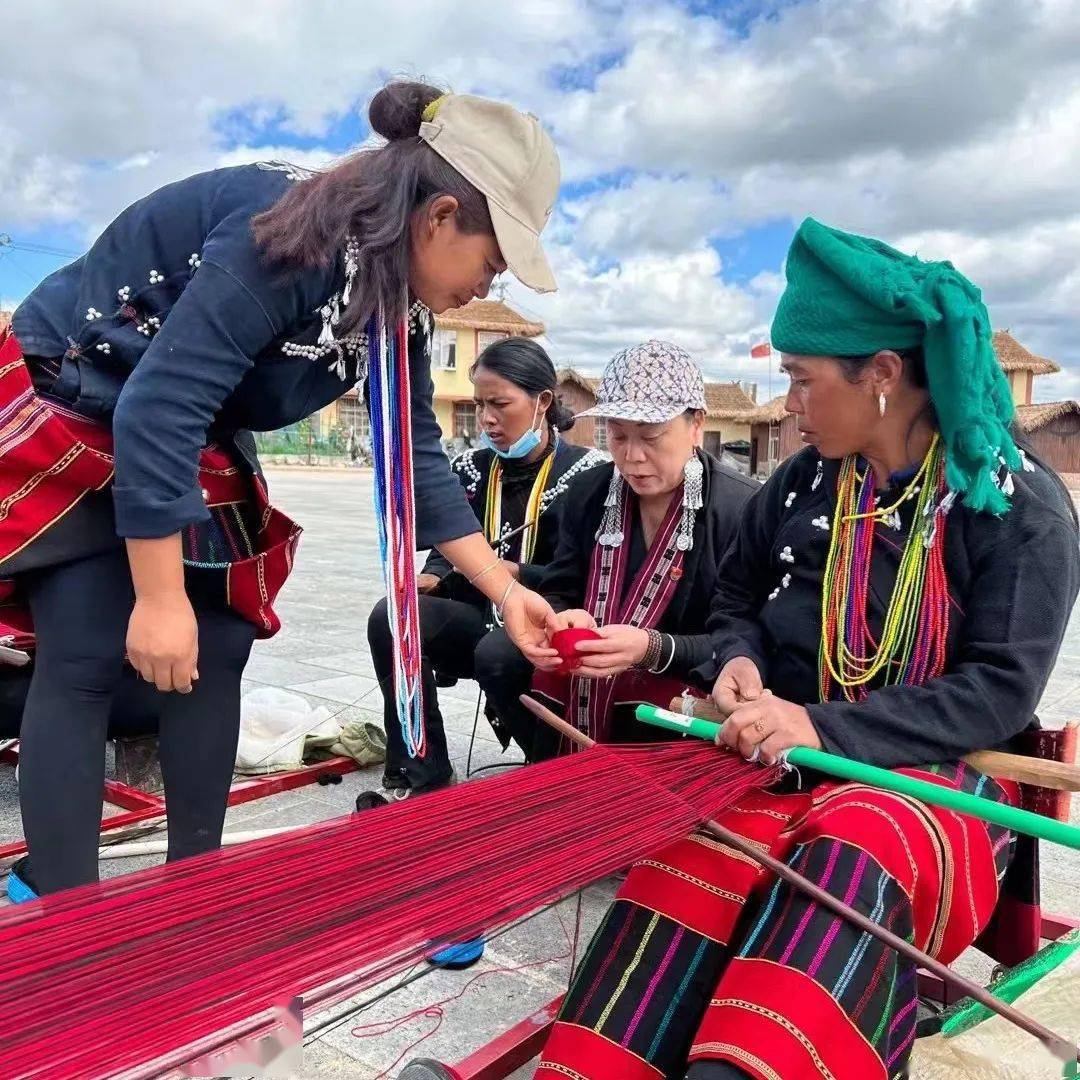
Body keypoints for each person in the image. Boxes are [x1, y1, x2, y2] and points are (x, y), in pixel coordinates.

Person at [535, 220, 1079, 1080]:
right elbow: (738, 599)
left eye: (801, 380)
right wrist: (737, 660)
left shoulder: (1014, 506)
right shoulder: (805, 481)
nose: (787, 403)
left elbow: (997, 692)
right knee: (687, 853)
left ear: (884, 377)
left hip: (935, 775)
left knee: (847, 858)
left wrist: (819, 726)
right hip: (784, 753)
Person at [1, 80, 563, 901]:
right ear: (440, 217)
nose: (490, 286)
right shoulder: (293, 234)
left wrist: (504, 593)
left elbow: (416, 455)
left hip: (182, 421)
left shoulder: (395, 305)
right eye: (493, 261)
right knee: (89, 646)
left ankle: (192, 891)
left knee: (220, 643)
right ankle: (66, 911)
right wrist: (158, 599)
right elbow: (156, 406)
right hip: (84, 393)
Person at [476, 341, 757, 762]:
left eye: (651, 436)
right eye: (618, 436)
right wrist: (562, 617)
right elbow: (560, 586)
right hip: (590, 668)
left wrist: (651, 648)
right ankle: (550, 768)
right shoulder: (590, 492)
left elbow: (747, 635)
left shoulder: (741, 509)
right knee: (499, 654)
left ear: (696, 424)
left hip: (684, 679)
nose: (632, 457)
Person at [368, 336, 606, 798]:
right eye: (479, 406)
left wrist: (520, 575)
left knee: (498, 654)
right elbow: (451, 536)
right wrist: (434, 574)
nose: (487, 420)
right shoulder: (470, 468)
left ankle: (552, 773)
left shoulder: (591, 475)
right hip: (482, 613)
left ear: (543, 402)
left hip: (550, 617)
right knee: (393, 617)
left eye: (500, 403)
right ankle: (424, 770)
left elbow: (593, 570)